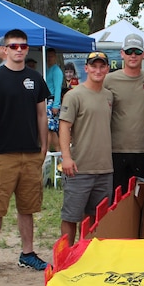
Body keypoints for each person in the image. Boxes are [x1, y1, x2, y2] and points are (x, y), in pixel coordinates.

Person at [0, 28, 51, 275]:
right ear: (4, 49)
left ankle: (28, 253)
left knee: (27, 207)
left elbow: (42, 114)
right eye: (14, 46)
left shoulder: (35, 78)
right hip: (3, 153)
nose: (19, 50)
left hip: (31, 153)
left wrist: (44, 145)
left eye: (23, 46)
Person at [58, 51, 113, 244]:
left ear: (107, 69)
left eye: (102, 66)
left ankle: (85, 255)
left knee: (95, 218)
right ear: (86, 68)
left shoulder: (109, 96)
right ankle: (65, 255)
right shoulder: (74, 95)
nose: (98, 70)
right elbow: (64, 126)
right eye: (94, 66)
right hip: (79, 168)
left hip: (104, 168)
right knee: (71, 216)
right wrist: (66, 157)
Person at [103, 33, 144, 196]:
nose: (133, 55)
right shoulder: (108, 80)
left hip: (141, 149)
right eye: (129, 51)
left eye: (137, 52)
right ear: (122, 54)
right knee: (116, 197)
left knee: (139, 196)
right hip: (115, 149)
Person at [44, 48, 64, 152]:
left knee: (49, 128)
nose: (49, 59)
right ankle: (57, 151)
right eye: (48, 56)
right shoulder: (47, 69)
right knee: (50, 129)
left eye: (51, 56)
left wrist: (56, 105)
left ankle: (50, 151)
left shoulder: (56, 71)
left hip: (52, 101)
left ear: (55, 57)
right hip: (47, 100)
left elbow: (58, 88)